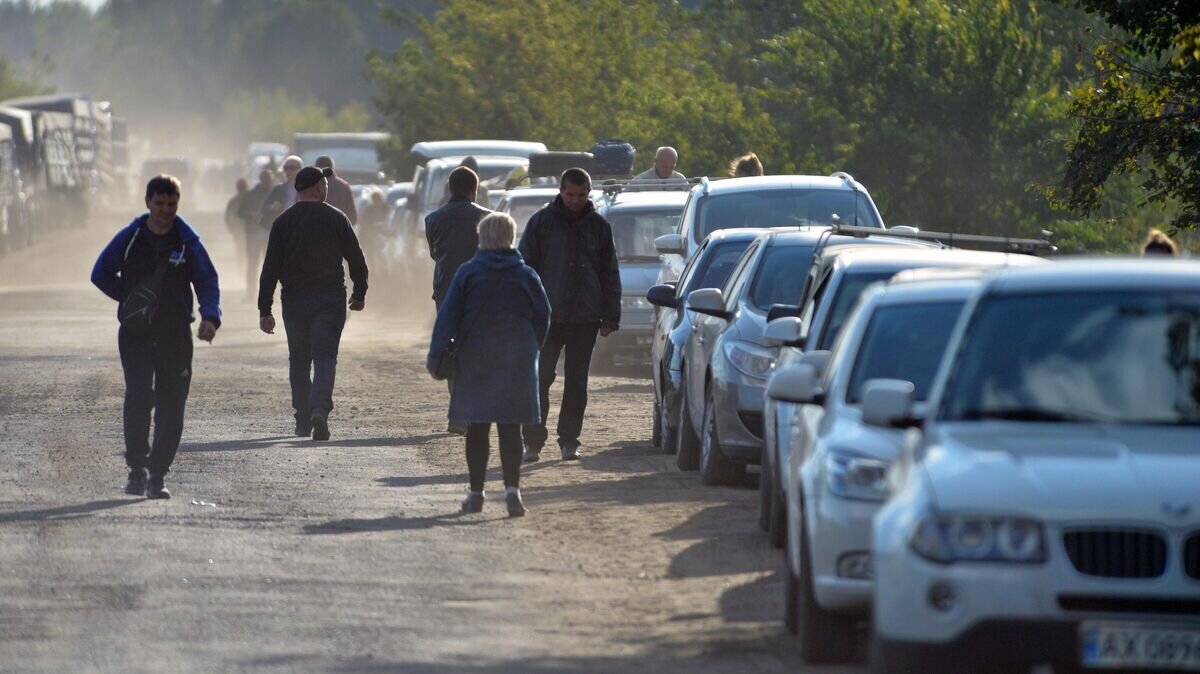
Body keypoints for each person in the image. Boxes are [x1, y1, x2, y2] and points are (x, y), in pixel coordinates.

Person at [90, 175, 222, 499]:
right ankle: (136, 470)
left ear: (178, 203)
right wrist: (130, 298)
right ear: (147, 201)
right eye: (160, 203)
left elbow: (207, 280)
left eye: (172, 204)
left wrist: (211, 316)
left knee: (172, 403)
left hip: (176, 334)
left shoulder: (188, 243)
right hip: (135, 334)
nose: (165, 210)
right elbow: (100, 272)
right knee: (138, 396)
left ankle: (157, 475)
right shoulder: (131, 236)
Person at [427, 212, 550, 516]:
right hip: (517, 358)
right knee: (510, 427)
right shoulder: (526, 274)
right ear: (511, 236)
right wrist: (531, 346)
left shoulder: (468, 272)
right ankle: (512, 492)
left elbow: (448, 317)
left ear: (481, 237)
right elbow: (543, 316)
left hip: (476, 357)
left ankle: (476, 494)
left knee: (478, 428)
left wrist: (435, 356)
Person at [258, 165, 369, 441]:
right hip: (330, 299)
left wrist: (265, 309)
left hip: (294, 301)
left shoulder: (282, 222)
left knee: (299, 360)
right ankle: (319, 408)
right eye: (325, 184)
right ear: (319, 188)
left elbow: (270, 268)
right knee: (325, 357)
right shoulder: (336, 218)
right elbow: (356, 259)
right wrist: (359, 292)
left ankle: (303, 419)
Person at [518, 167, 621, 462]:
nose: (575, 200)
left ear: (588, 194)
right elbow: (525, 269)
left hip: (585, 318)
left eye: (581, 195)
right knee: (540, 378)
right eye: (570, 194)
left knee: (577, 381)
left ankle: (569, 441)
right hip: (546, 318)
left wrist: (610, 316)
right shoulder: (541, 223)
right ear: (561, 192)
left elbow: (609, 273)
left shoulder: (599, 227)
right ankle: (533, 442)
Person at [238, 170, 275, 300]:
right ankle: (250, 293)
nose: (267, 182)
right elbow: (240, 212)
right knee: (252, 265)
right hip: (253, 235)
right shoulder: (250, 195)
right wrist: (250, 215)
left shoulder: (275, 195)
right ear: (261, 180)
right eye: (265, 180)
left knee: (270, 267)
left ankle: (269, 294)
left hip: (269, 235)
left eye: (269, 180)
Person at [314, 155, 358, 225]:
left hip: (317, 231)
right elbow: (352, 216)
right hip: (339, 230)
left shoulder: (312, 186)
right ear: (332, 168)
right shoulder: (344, 186)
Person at [224, 177, 249, 276]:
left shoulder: (235, 200)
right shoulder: (236, 200)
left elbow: (227, 218)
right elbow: (228, 217)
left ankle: (244, 271)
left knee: (243, 252)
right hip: (242, 231)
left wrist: (232, 229)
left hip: (246, 231)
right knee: (243, 252)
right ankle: (243, 271)